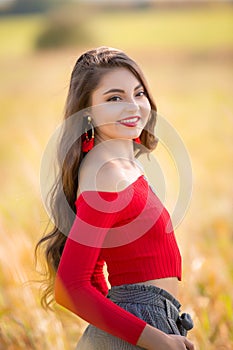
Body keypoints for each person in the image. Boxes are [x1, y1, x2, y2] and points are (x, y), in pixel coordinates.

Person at [36, 46, 195, 350]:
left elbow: (94, 270)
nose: (133, 106)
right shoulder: (107, 175)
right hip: (147, 326)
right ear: (87, 112)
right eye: (114, 98)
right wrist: (154, 337)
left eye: (138, 93)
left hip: (147, 320)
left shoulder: (119, 165)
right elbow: (71, 286)